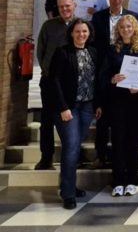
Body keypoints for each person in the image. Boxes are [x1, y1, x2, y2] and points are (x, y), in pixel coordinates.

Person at [49, 19, 101, 209]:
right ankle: (68, 194)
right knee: (70, 148)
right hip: (68, 108)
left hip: (87, 107)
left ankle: (69, 185)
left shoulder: (93, 52)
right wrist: (63, 108)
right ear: (71, 33)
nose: (81, 35)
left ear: (89, 33)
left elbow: (96, 81)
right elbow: (53, 81)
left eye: (84, 31)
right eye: (77, 31)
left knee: (76, 147)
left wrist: (98, 104)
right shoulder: (62, 52)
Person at [100, 16, 138, 197]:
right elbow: (104, 75)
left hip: (137, 101)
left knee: (134, 141)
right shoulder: (111, 49)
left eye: (129, 26)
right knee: (118, 141)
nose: (125, 29)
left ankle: (132, 179)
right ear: (117, 30)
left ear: (135, 27)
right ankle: (118, 181)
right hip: (117, 101)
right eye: (122, 27)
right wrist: (112, 79)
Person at [90, 0, 138, 168]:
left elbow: (135, 40)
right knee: (102, 114)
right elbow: (94, 42)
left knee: (122, 116)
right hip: (105, 67)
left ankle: (122, 156)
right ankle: (100, 154)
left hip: (125, 68)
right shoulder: (98, 17)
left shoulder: (132, 16)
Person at [35, 0, 78, 170]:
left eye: (68, 6)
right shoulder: (48, 26)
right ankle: (46, 156)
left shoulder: (80, 25)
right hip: (50, 82)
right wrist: (47, 72)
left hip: (72, 84)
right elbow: (41, 51)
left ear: (74, 6)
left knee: (73, 121)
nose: (65, 9)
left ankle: (76, 154)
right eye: (61, 7)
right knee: (46, 121)